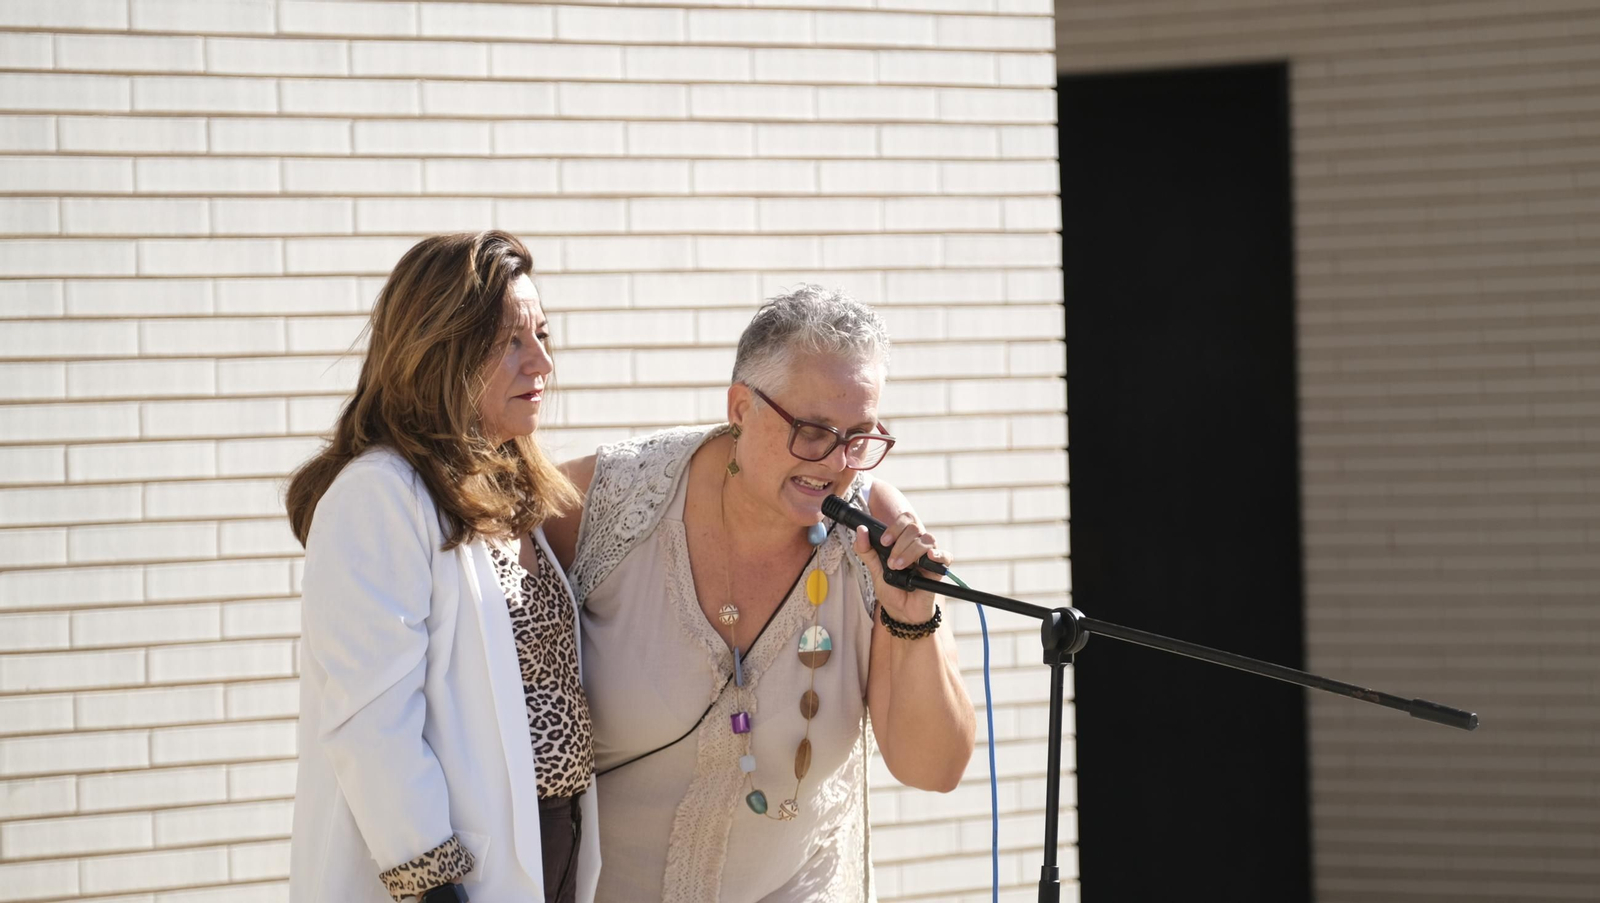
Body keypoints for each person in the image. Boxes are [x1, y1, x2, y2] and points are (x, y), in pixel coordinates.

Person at [545, 285, 976, 902]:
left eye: (859, 436)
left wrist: (912, 618)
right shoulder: (609, 498)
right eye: (813, 430)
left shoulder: (875, 536)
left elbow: (934, 769)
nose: (835, 462)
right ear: (741, 407)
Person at [286, 231, 599, 903]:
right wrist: (433, 882)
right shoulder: (379, 493)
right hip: (450, 877)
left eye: (542, 334)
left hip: (550, 850)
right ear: (440, 349)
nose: (541, 361)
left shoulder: (509, 490)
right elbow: (372, 721)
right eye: (511, 341)